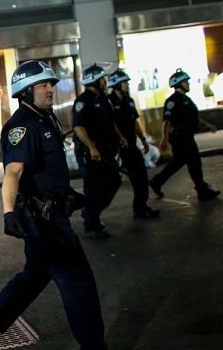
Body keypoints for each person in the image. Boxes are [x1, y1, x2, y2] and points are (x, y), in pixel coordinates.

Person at [0, 60, 145, 350]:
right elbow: (13, 172)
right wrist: (8, 213)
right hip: (43, 224)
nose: (51, 88)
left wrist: (67, 194)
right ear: (25, 91)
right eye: (43, 85)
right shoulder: (23, 125)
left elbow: (45, 171)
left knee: (33, 278)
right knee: (80, 286)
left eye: (51, 83)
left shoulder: (44, 117)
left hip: (49, 214)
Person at [72, 63, 127, 238]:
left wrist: (120, 136)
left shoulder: (104, 99)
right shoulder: (83, 101)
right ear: (94, 81)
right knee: (93, 188)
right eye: (102, 79)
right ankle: (91, 226)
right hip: (90, 153)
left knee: (114, 181)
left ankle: (90, 211)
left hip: (106, 150)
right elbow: (79, 128)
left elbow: (110, 122)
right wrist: (91, 147)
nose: (105, 81)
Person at [149, 68, 220, 201]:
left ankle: (157, 182)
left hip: (187, 136)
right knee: (194, 162)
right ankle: (202, 190)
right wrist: (164, 139)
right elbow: (167, 121)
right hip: (180, 137)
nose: (188, 84)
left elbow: (193, 117)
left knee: (179, 162)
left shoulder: (185, 99)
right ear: (178, 84)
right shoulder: (172, 101)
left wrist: (207, 125)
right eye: (185, 82)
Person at [107, 69, 160, 218]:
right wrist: (120, 137)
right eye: (124, 82)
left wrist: (143, 139)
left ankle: (141, 207)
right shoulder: (109, 101)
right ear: (116, 84)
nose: (126, 85)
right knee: (114, 182)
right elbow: (111, 123)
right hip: (119, 148)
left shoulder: (128, 100)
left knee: (141, 176)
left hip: (132, 145)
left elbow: (135, 122)